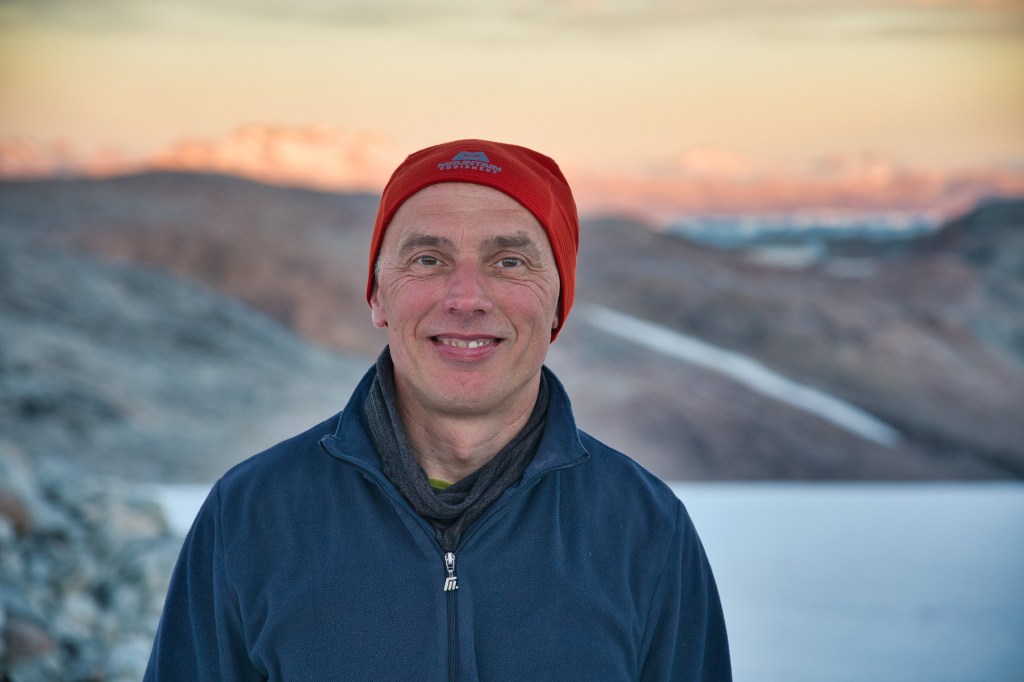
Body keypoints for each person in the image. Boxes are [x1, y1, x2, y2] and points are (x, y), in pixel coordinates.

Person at [144, 139, 731, 680]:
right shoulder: (252, 516)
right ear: (377, 295)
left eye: (510, 261)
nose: (467, 298)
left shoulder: (645, 530)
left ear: (558, 304)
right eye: (428, 259)